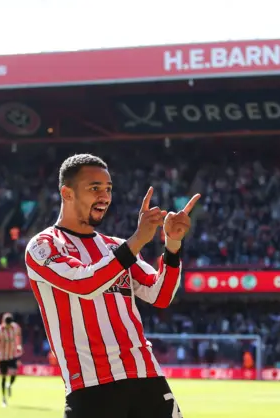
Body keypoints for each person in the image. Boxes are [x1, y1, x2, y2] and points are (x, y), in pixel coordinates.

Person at [25, 154, 199, 418]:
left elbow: (160, 295)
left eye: (108, 189)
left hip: (146, 377)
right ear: (67, 193)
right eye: (94, 188)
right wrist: (137, 241)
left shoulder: (115, 246)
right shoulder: (44, 246)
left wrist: (172, 246)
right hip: (92, 386)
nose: (104, 196)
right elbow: (84, 283)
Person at [0, 312, 23, 407]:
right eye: (6, 325)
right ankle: (4, 399)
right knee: (3, 376)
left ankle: (10, 385)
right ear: (3, 322)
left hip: (12, 354)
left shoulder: (15, 327)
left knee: (14, 373)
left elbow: (18, 335)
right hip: (2, 356)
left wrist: (19, 345)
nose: (8, 327)